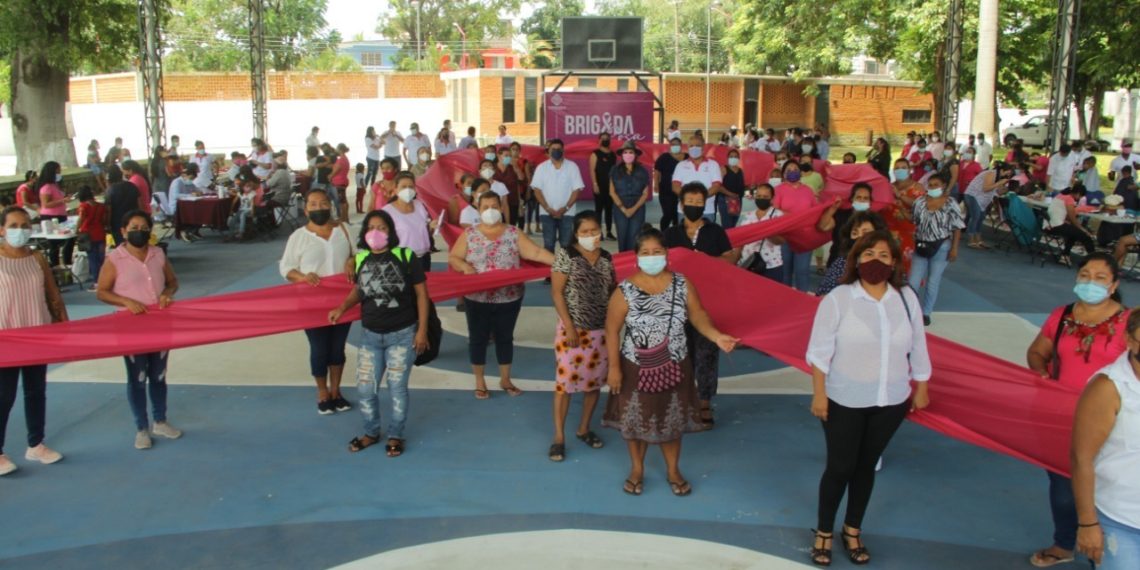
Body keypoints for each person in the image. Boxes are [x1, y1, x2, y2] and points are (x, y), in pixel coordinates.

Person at [806, 230, 931, 566]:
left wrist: (921, 385)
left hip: (891, 400)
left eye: (884, 255)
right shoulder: (839, 298)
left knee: (866, 467)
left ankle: (853, 529)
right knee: (840, 466)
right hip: (844, 398)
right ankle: (823, 532)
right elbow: (819, 352)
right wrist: (819, 395)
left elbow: (918, 344)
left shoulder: (906, 298)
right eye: (868, 254)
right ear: (857, 260)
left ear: (895, 262)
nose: (876, 261)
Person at [602, 226, 738, 496]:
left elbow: (698, 315)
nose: (652, 257)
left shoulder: (682, 284)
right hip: (634, 366)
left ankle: (673, 470)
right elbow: (611, 329)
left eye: (657, 252)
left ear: (666, 254)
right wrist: (614, 368)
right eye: (645, 252)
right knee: (635, 422)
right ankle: (637, 468)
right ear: (636, 256)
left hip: (675, 365)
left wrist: (716, 336)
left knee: (672, 421)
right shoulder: (624, 290)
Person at [1026, 253, 1129, 568]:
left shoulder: (1130, 322)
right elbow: (1036, 352)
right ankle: (1065, 543)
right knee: (1062, 487)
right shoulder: (1061, 316)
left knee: (1112, 481)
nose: (1090, 282)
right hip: (1061, 417)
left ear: (1114, 285)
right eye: (1085, 275)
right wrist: (1041, 371)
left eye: (1100, 277)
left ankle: (1110, 544)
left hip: (1115, 419)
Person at [329, 210, 429, 458]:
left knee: (397, 388)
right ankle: (371, 432)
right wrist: (342, 307)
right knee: (365, 389)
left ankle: (395, 435)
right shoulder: (362, 258)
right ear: (364, 232)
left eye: (382, 227)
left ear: (391, 231)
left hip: (403, 334)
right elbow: (359, 291)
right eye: (371, 227)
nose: (376, 232)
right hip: (370, 336)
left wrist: (422, 331)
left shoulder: (405, 256)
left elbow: (421, 295)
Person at [448, 192, 554, 399]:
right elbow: (454, 257)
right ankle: (480, 380)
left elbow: (537, 253)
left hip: (509, 297)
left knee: (505, 338)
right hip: (476, 298)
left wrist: (563, 262)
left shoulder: (514, 233)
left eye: (494, 206)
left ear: (501, 208)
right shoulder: (470, 234)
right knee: (477, 338)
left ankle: (505, 379)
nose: (490, 210)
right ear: (478, 210)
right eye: (485, 206)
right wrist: (464, 266)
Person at [96, 210, 183, 450]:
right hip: (131, 327)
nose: (139, 231)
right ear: (123, 231)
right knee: (138, 377)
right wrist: (125, 302)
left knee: (159, 374)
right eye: (133, 227)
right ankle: (141, 428)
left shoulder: (157, 254)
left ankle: (160, 420)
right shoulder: (115, 258)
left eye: (144, 227)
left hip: (160, 324)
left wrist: (166, 294)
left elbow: (173, 282)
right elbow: (102, 291)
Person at [0, 206, 67, 475]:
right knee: (4, 395)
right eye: (14, 225)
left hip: (38, 335)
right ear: (2, 229)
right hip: (6, 338)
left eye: (25, 225)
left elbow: (52, 294)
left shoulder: (37, 258)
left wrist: (63, 325)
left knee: (36, 391)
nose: (20, 230)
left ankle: (35, 444)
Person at [664, 183, 738, 426]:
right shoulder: (671, 233)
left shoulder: (715, 232)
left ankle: (704, 401)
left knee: (707, 353)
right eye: (690, 201)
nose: (695, 206)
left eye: (699, 202)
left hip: (709, 303)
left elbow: (730, 258)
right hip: (677, 303)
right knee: (679, 352)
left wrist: (709, 261)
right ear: (681, 204)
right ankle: (682, 399)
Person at [1072, 310, 1140, 570]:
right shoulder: (1108, 387)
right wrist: (1088, 523)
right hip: (1120, 520)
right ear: (1130, 341)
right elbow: (1081, 458)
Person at [279, 189, 356, 415]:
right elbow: (286, 268)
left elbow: (360, 253)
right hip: (311, 303)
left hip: (343, 301)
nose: (319, 207)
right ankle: (322, 391)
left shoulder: (344, 230)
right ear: (306, 209)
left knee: (337, 348)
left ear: (330, 206)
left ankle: (336, 391)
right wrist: (303, 277)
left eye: (323, 203)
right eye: (313, 204)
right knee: (320, 348)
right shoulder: (298, 237)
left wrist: (352, 260)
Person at [549, 210, 616, 462]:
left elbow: (612, 292)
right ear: (576, 234)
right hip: (573, 331)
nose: (591, 236)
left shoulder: (607, 258)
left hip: (600, 332)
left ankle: (584, 428)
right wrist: (569, 326)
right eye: (585, 232)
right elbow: (557, 293)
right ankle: (558, 437)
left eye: (594, 231)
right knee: (564, 385)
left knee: (595, 382)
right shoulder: (566, 255)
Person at [908, 173, 964, 326]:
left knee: (933, 281)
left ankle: (926, 312)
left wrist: (954, 248)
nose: (932, 187)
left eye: (935, 185)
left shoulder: (951, 203)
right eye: (930, 185)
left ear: (944, 186)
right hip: (921, 244)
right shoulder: (919, 202)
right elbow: (914, 220)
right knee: (913, 281)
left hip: (942, 246)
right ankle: (910, 310)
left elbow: (957, 227)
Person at [773, 160, 819, 291]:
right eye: (789, 169)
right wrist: (795, 218)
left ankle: (802, 300)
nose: (793, 171)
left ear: (800, 172)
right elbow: (774, 211)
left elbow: (815, 210)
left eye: (795, 169)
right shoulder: (778, 190)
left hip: (804, 237)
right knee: (785, 271)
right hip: (785, 237)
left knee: (802, 271)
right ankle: (785, 300)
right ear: (783, 174)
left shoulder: (808, 190)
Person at [817, 212, 888, 297]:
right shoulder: (842, 263)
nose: (860, 237)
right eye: (855, 233)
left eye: (865, 233)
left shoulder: (887, 263)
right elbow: (823, 293)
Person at [532, 139, 585, 253]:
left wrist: (565, 208)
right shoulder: (541, 168)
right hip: (546, 213)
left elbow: (577, 190)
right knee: (548, 244)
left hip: (567, 213)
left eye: (559, 149)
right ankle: (549, 270)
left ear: (563, 150)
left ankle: (564, 270)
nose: (556, 151)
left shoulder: (572, 166)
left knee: (566, 245)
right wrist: (547, 208)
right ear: (548, 151)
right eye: (553, 149)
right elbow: (537, 190)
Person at [382, 172, 435, 273]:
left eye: (411, 187)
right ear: (395, 189)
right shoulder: (387, 212)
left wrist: (431, 227)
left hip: (424, 258)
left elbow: (425, 232)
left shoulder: (419, 205)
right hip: (401, 260)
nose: (408, 190)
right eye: (403, 187)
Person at [735, 183, 786, 282]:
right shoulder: (748, 216)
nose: (761, 199)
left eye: (765, 197)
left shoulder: (778, 215)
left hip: (771, 266)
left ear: (772, 198)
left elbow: (781, 240)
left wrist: (766, 231)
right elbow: (740, 242)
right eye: (758, 196)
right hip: (749, 264)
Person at [817, 182, 874, 266]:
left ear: (870, 201)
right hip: (837, 261)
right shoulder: (841, 215)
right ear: (852, 199)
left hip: (863, 264)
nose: (862, 200)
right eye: (858, 197)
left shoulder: (874, 219)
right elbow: (822, 227)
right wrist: (833, 209)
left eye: (865, 198)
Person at [671, 134, 723, 223]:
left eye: (698, 146)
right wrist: (689, 198)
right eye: (691, 146)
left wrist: (700, 198)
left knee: (706, 236)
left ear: (703, 148)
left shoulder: (713, 165)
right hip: (684, 211)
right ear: (687, 148)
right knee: (684, 236)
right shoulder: (680, 165)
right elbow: (675, 186)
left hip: (707, 211)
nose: (694, 148)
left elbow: (716, 186)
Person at [609, 141, 650, 252]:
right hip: (620, 207)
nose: (628, 154)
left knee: (635, 237)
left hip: (638, 207)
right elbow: (612, 192)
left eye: (630, 152)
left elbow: (645, 193)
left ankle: (633, 265)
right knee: (622, 237)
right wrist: (623, 208)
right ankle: (623, 266)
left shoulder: (643, 171)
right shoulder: (615, 170)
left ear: (635, 154)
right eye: (625, 152)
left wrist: (633, 209)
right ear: (622, 155)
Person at [35, 161, 74, 268]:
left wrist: (65, 199)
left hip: (61, 215)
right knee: (54, 243)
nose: (59, 173)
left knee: (70, 238)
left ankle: (67, 262)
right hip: (50, 217)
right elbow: (46, 204)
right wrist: (62, 201)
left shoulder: (55, 185)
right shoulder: (46, 187)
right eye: (58, 171)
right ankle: (55, 265)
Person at [963, 162, 1011, 249]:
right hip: (973, 195)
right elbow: (986, 188)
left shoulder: (998, 177)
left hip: (981, 198)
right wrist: (999, 183)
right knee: (976, 217)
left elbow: (997, 192)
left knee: (981, 217)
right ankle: (971, 239)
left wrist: (1008, 188)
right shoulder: (991, 173)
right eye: (1008, 172)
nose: (1008, 175)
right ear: (1003, 170)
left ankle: (978, 239)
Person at [1044, 184, 1095, 260]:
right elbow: (1072, 218)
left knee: (1074, 233)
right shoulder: (1069, 199)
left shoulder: (1060, 195)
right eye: (1080, 196)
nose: (1079, 198)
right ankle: (1094, 259)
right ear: (1078, 194)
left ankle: (1065, 254)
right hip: (1056, 226)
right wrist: (1084, 230)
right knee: (1085, 236)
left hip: (1048, 225)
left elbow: (1067, 216)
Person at [75, 186, 108, 290]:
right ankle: (105, 279)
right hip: (100, 233)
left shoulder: (84, 206)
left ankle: (97, 282)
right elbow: (104, 219)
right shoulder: (101, 206)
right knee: (101, 258)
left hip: (88, 234)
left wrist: (76, 230)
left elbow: (81, 219)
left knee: (92, 259)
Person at [589, 132, 618, 240]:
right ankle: (598, 232)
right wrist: (594, 184)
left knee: (609, 209)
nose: (605, 140)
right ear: (599, 140)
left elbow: (615, 171)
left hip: (610, 187)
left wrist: (614, 186)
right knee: (599, 210)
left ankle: (609, 231)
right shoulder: (595, 154)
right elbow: (592, 170)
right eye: (603, 138)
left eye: (607, 138)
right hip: (599, 186)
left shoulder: (613, 155)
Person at [103, 166, 140, 246]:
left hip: (117, 223)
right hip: (134, 218)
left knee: (122, 245)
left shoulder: (110, 190)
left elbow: (108, 210)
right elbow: (139, 204)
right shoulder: (132, 186)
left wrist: (107, 225)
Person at [655, 136, 686, 230]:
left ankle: (676, 236)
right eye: (673, 144)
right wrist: (656, 185)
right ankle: (663, 234)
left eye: (677, 144)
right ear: (670, 146)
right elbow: (657, 172)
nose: (675, 146)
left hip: (682, 191)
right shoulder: (664, 157)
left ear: (681, 145)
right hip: (666, 191)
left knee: (678, 215)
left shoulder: (687, 157)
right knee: (668, 213)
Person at [491, 146, 520, 227]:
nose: (509, 158)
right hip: (496, 203)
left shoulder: (512, 168)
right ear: (499, 156)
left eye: (510, 156)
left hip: (512, 201)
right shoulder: (492, 168)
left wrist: (516, 167)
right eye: (506, 155)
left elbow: (521, 179)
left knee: (510, 226)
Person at [718, 148, 746, 228]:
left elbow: (741, 185)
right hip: (725, 200)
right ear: (727, 158)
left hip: (738, 200)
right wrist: (730, 194)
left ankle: (731, 239)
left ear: (738, 159)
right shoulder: (723, 169)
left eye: (736, 157)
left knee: (733, 224)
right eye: (731, 156)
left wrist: (749, 187)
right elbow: (718, 186)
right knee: (727, 225)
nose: (733, 158)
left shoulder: (741, 171)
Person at [330, 143, 351, 221]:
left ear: (340, 149)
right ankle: (346, 217)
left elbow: (337, 170)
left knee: (342, 202)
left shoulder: (341, 160)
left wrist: (330, 176)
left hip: (339, 182)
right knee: (344, 200)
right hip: (343, 181)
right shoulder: (345, 158)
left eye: (337, 149)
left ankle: (343, 218)